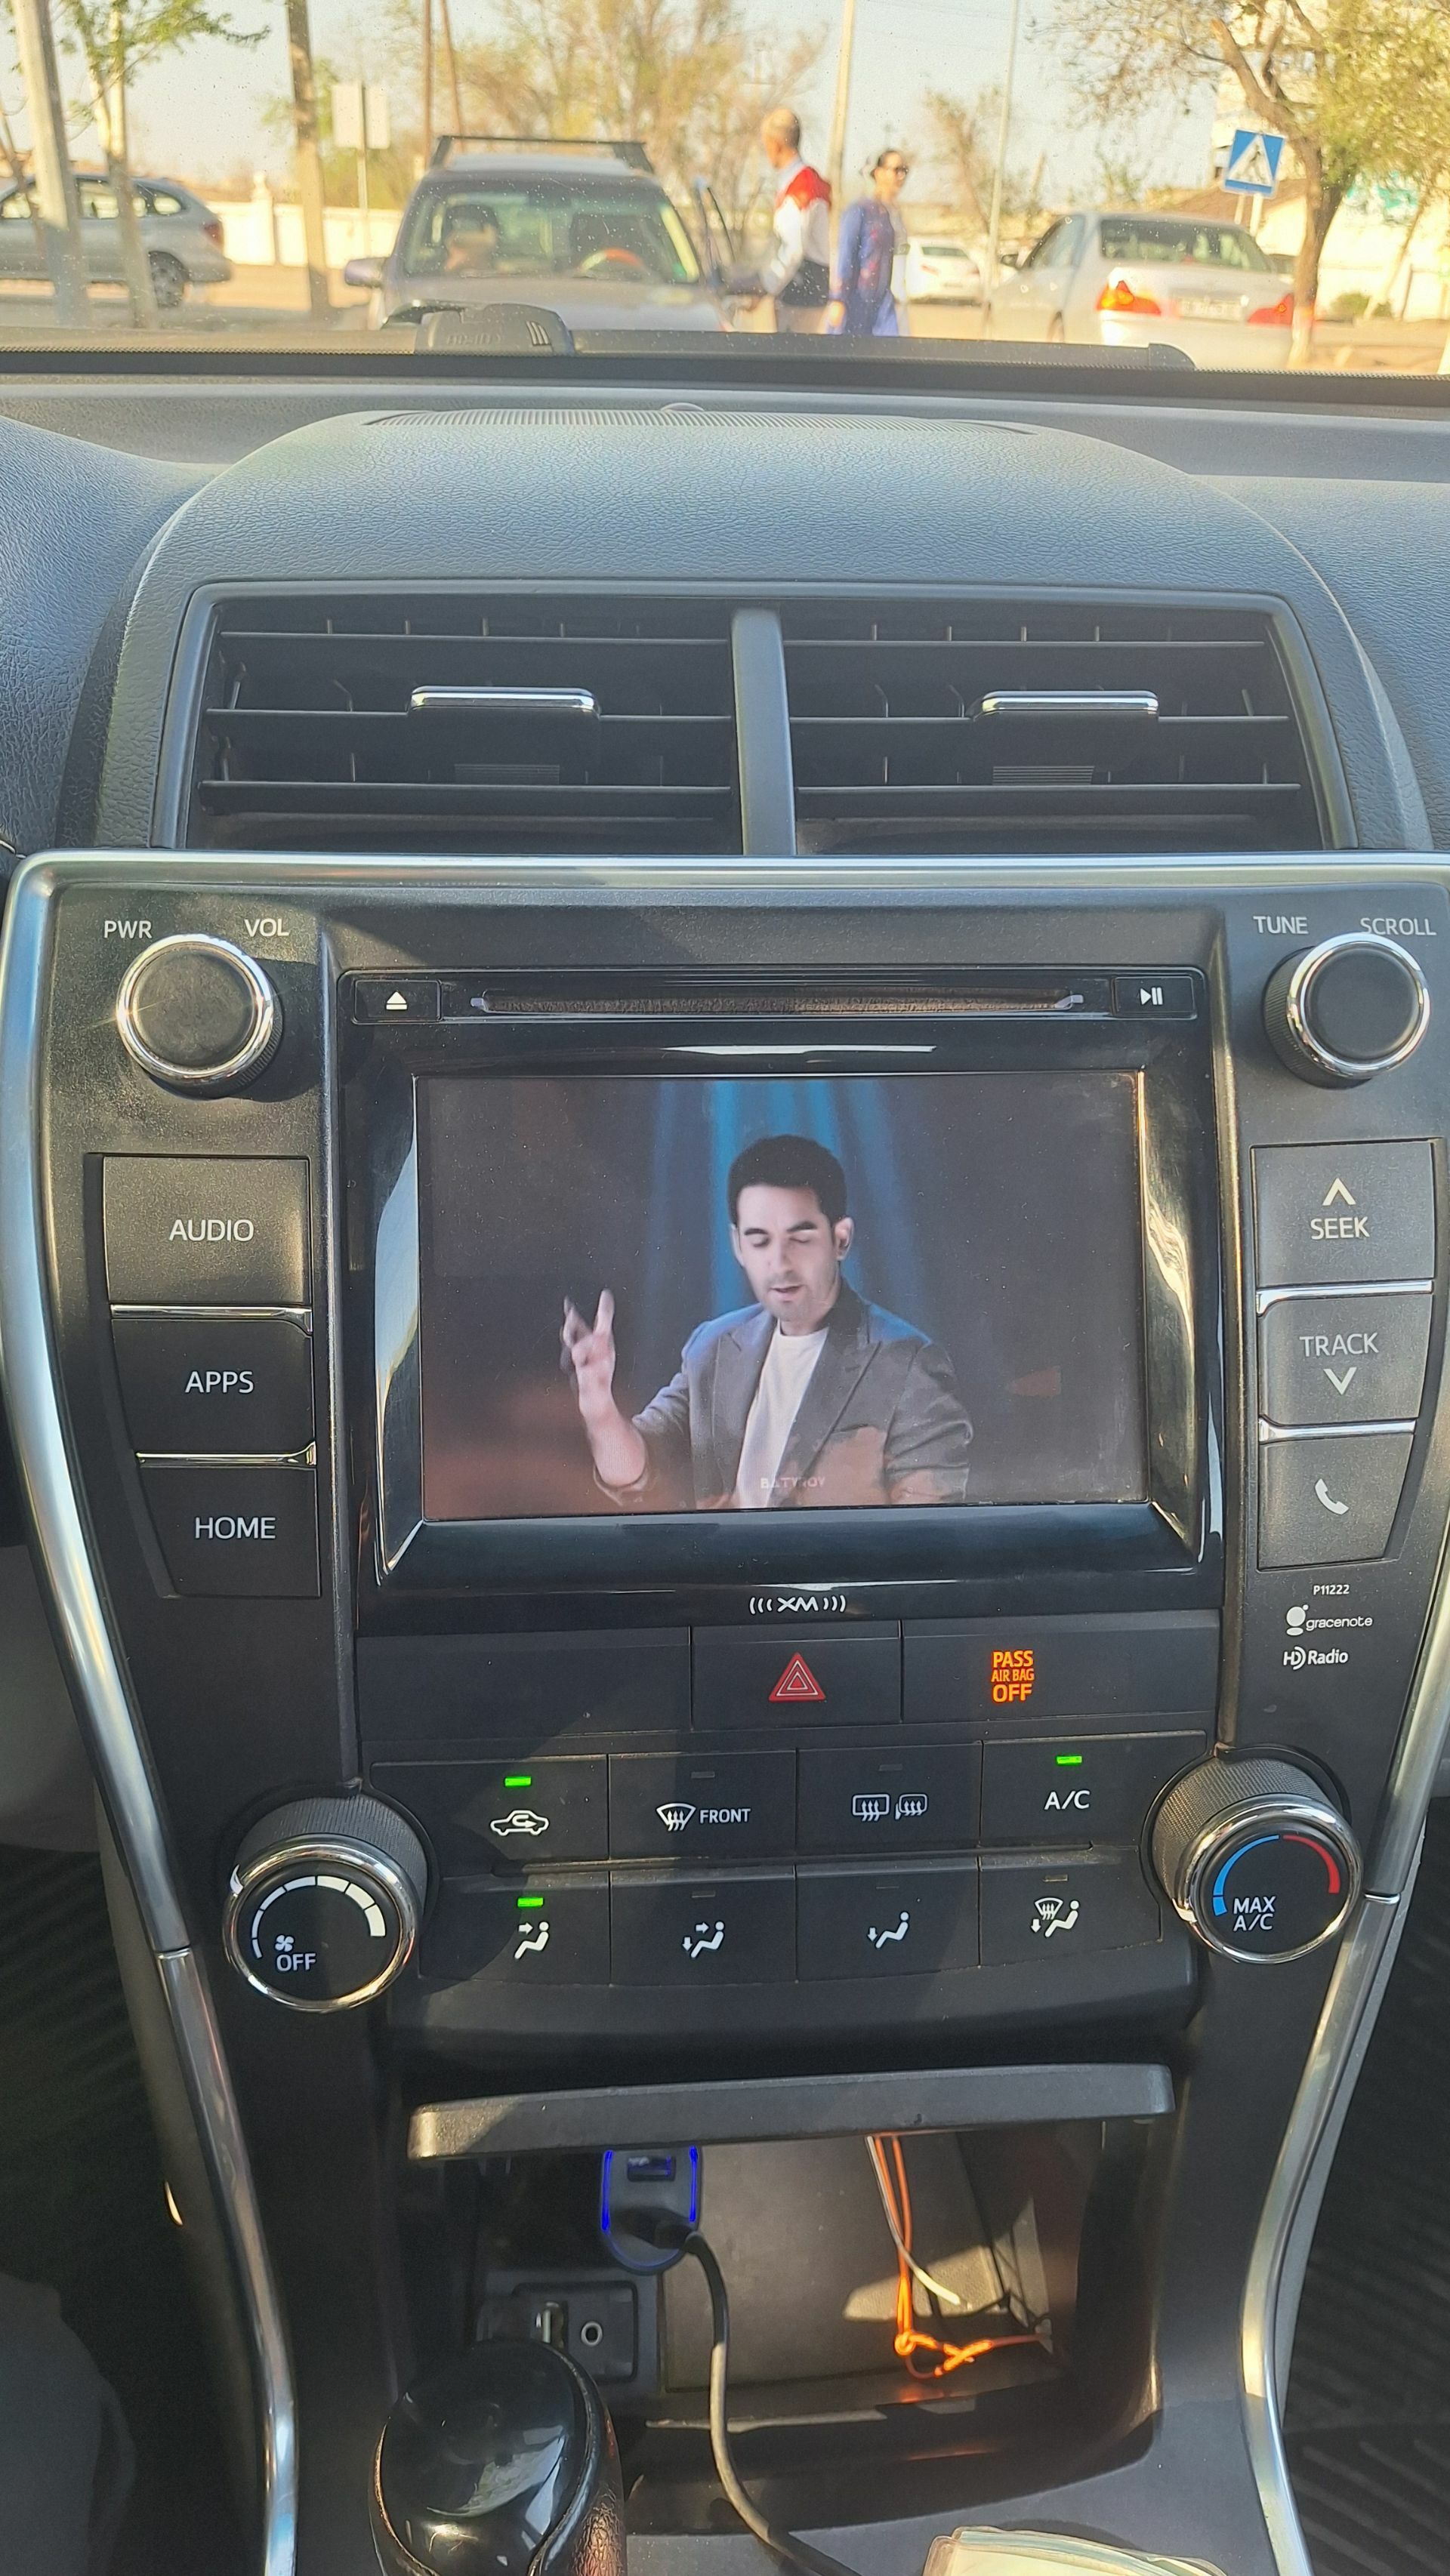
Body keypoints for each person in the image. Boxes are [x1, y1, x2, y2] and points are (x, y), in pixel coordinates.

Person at [560, 1133, 972, 1511]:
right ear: (738, 1245)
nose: (779, 1263)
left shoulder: (909, 1365)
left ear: (841, 1239)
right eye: (759, 1241)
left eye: (800, 1238)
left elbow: (927, 1532)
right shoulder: (712, 1347)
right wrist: (599, 1407)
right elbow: (637, 1473)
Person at [757, 107, 832, 334]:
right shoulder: (803, 180)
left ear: (775, 145)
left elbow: (793, 249)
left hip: (801, 291)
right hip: (803, 287)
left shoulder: (801, 186)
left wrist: (766, 286)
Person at [826, 149, 909, 337]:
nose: (901, 176)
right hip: (857, 302)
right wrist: (838, 299)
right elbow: (846, 254)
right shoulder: (860, 211)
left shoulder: (895, 216)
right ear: (878, 173)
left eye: (904, 170)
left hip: (884, 306)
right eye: (896, 170)